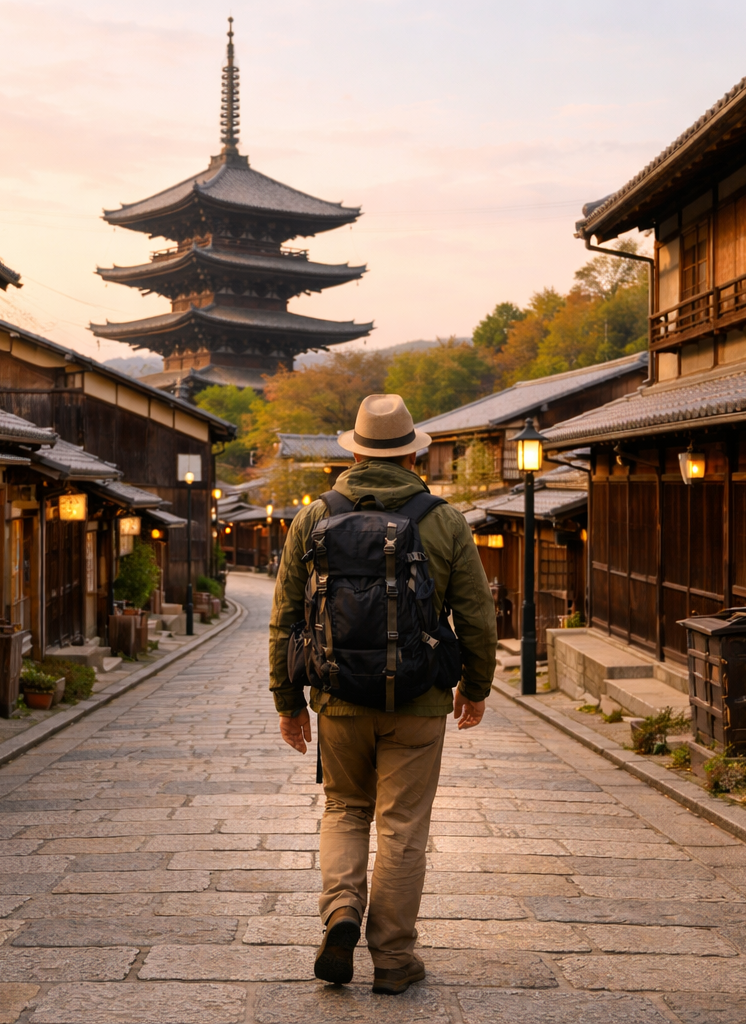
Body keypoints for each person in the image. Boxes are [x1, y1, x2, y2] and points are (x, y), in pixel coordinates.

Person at [268, 393, 496, 995]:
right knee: (401, 828)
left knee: (344, 809)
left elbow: (286, 617)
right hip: (419, 701)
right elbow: (475, 613)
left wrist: (288, 702)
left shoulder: (315, 516)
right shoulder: (443, 520)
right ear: (414, 451)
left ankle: (341, 912)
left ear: (355, 451)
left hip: (338, 698)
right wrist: (475, 686)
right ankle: (393, 959)